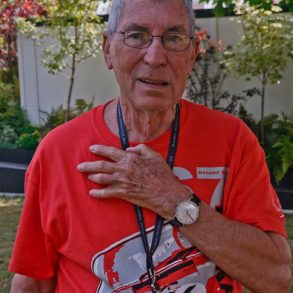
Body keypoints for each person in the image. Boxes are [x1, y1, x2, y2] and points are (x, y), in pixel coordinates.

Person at [9, 0, 291, 292]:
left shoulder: (232, 140)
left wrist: (175, 201)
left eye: (174, 38)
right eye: (136, 35)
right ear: (108, 49)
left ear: (192, 53)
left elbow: (276, 278)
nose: (156, 57)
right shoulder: (58, 151)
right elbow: (33, 282)